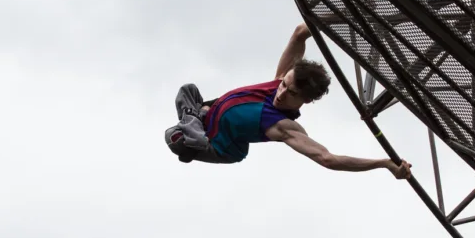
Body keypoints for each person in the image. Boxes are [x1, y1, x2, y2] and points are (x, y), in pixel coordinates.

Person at [165, 22, 412, 179]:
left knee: (174, 138)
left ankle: (194, 130)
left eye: (291, 93)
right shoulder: (279, 81)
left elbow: (327, 159)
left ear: (305, 100)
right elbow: (301, 32)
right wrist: (355, 16)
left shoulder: (283, 126)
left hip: (216, 145)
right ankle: (198, 117)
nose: (281, 93)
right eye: (284, 84)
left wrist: (384, 163)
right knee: (188, 89)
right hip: (209, 114)